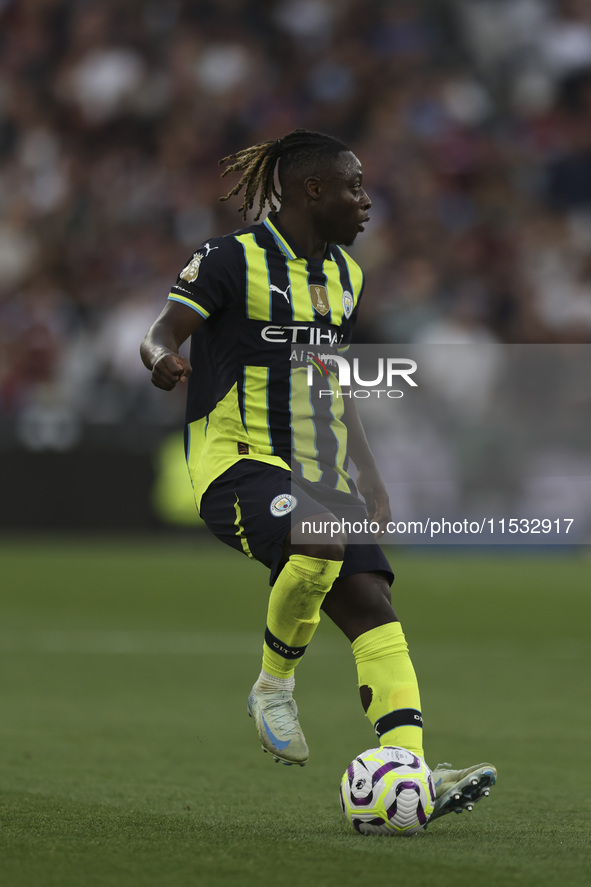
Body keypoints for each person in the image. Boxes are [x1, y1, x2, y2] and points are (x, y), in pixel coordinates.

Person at [140, 129, 496, 822]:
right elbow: (164, 328)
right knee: (323, 539)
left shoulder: (345, 277)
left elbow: (332, 379)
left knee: (371, 607)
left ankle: (410, 770)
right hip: (235, 463)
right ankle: (273, 685)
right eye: (354, 187)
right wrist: (159, 358)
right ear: (312, 190)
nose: (366, 203)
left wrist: (369, 471)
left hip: (321, 473)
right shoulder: (227, 259)